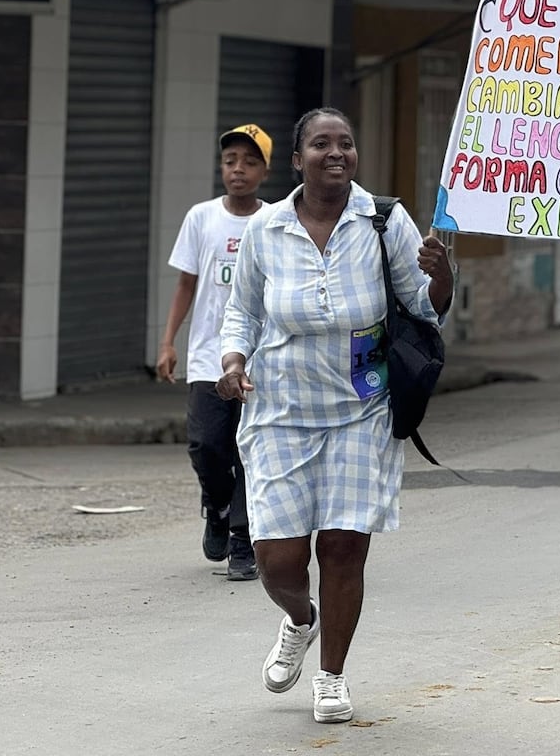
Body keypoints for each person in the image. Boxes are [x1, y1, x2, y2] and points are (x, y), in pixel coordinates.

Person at [218, 107, 455, 722]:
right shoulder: (268, 229)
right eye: (321, 144)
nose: (337, 153)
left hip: (362, 407)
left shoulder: (384, 221)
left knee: (344, 548)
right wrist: (233, 361)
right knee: (279, 560)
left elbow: (425, 311)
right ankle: (299, 619)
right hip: (279, 409)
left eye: (346, 144)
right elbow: (242, 310)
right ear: (297, 160)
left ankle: (331, 675)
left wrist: (443, 278)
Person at [157, 124, 273, 582]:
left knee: (249, 451)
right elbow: (187, 283)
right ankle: (218, 506)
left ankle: (242, 542)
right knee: (207, 445)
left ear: (264, 170)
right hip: (208, 354)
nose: (238, 170)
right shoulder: (201, 218)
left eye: (249, 161)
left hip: (260, 358)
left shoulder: (275, 219)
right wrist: (168, 342)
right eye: (230, 161)